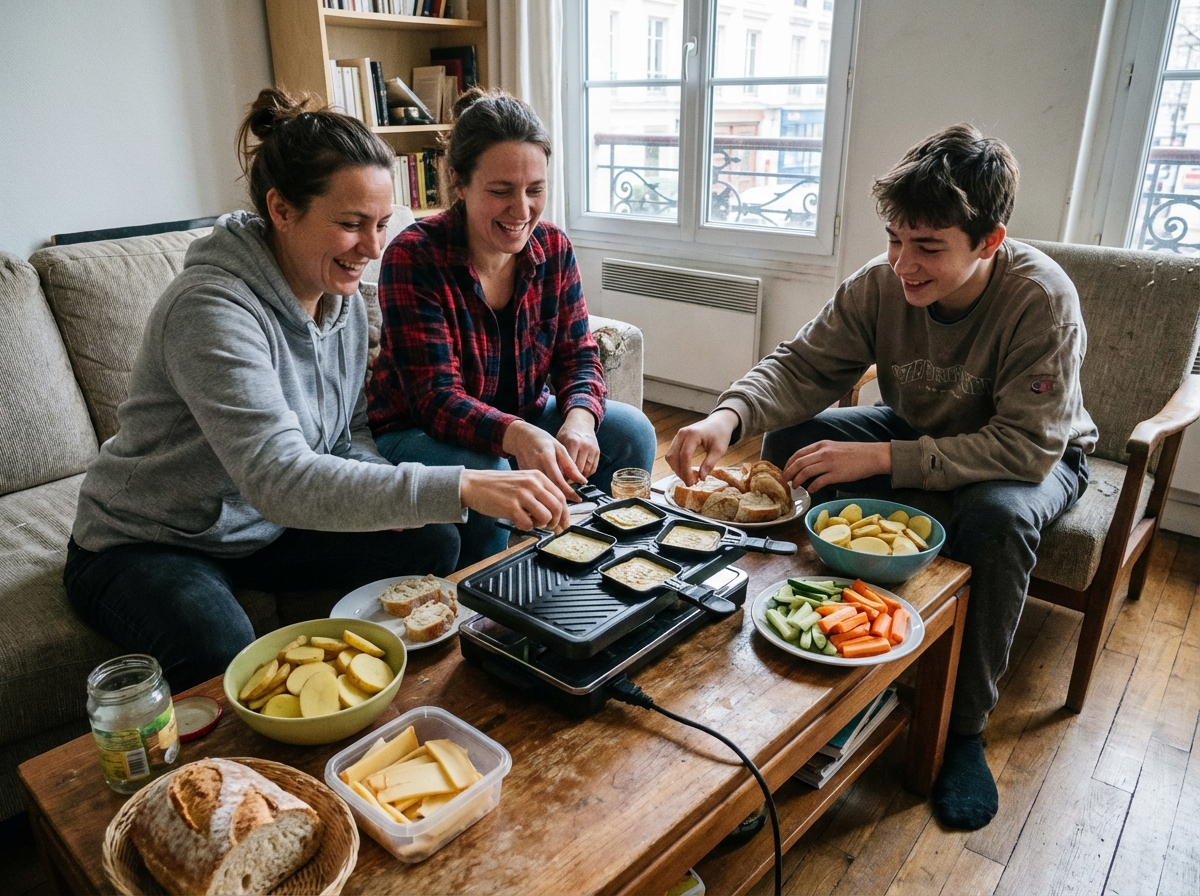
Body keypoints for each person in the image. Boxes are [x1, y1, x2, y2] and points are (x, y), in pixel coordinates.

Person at [63, 88, 570, 692]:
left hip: (264, 529)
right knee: (226, 656)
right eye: (352, 225)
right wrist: (463, 483)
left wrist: (387, 493)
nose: (375, 248)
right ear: (281, 209)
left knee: (433, 539)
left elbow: (347, 432)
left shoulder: (343, 301)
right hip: (151, 541)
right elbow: (280, 478)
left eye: (381, 224)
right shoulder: (210, 309)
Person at [666, 124, 1096, 831]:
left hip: (1035, 454)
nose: (902, 263)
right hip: (921, 430)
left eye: (928, 247)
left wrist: (882, 460)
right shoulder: (880, 281)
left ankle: (963, 731)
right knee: (799, 435)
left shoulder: (1041, 299)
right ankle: (821, 625)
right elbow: (803, 367)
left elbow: (1025, 446)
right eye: (896, 238)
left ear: (989, 240)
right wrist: (727, 418)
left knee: (999, 519)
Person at [366, 88, 657, 567]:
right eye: (500, 191)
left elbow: (577, 354)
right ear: (458, 183)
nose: (521, 210)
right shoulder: (413, 256)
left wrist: (580, 418)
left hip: (518, 414)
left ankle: (598, 569)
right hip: (415, 431)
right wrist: (520, 435)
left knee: (631, 434)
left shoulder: (554, 247)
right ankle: (488, 601)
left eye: (534, 190)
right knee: (490, 468)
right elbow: (436, 399)